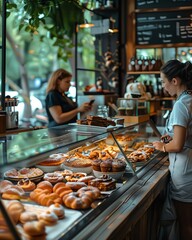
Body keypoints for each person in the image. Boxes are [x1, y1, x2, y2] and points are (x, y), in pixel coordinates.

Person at [152, 60, 192, 240]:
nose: (163, 86)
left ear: (174, 81)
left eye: (163, 81)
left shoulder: (180, 104)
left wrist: (162, 146)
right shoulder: (189, 98)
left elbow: (178, 145)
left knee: (186, 225)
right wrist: (172, 137)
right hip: (189, 167)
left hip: (185, 173)